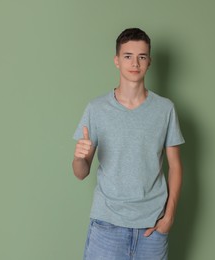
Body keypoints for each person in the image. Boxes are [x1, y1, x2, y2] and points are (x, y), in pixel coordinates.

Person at [72, 28, 185, 260]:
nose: (135, 63)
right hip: (107, 226)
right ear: (116, 60)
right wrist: (79, 158)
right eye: (128, 56)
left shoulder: (165, 109)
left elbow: (175, 165)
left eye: (141, 56)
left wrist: (169, 216)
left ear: (149, 62)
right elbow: (81, 173)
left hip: (152, 228)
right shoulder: (96, 109)